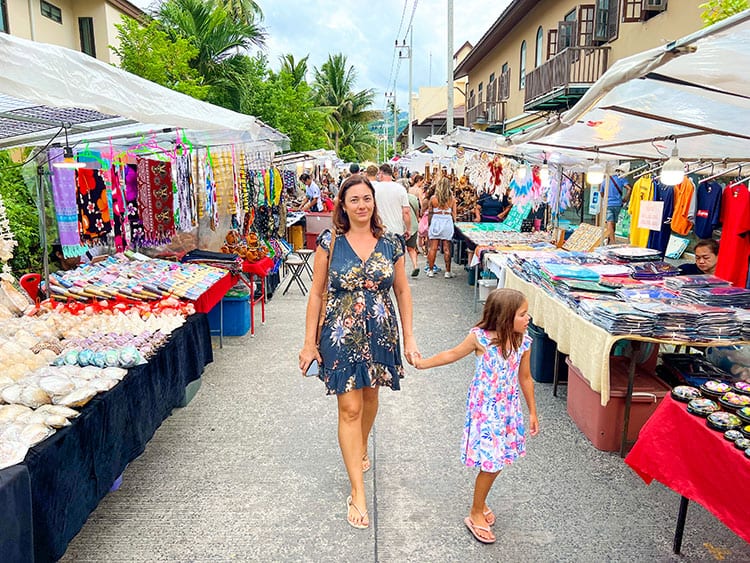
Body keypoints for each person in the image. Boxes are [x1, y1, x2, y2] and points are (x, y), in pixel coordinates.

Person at [298, 174, 419, 530]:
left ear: (374, 202)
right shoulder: (329, 241)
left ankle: (361, 446)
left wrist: (409, 338)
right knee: (349, 406)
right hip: (340, 334)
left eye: (367, 198)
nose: (362, 205)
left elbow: (403, 292)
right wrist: (308, 342)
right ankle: (357, 491)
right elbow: (317, 294)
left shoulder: (391, 243)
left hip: (381, 332)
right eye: (354, 200)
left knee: (369, 398)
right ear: (343, 205)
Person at [413, 288, 539, 544]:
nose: (528, 319)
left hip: (507, 409)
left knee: (497, 460)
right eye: (523, 314)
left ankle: (480, 503)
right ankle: (475, 511)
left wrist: (533, 411)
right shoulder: (479, 338)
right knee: (492, 463)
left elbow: (525, 377)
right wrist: (423, 363)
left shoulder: (523, 340)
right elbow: (451, 354)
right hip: (485, 410)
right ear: (505, 317)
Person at [426, 177, 457, 278]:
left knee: (433, 247)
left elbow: (430, 212)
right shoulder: (452, 199)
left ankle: (430, 270)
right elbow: (454, 215)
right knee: (447, 247)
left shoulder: (433, 199)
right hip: (447, 220)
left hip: (436, 220)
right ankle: (448, 272)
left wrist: (429, 224)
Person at [373, 163, 411, 240]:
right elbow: (406, 212)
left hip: (380, 230)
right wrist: (408, 229)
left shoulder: (374, 189)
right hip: (397, 231)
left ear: (381, 174)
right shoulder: (401, 189)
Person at [602, 168, 631, 244]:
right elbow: (629, 189)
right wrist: (625, 199)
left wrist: (607, 197)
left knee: (609, 222)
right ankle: (610, 239)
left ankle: (612, 241)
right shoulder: (621, 179)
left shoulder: (605, 181)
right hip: (618, 204)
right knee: (613, 222)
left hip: (608, 204)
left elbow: (601, 193)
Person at [399, 178, 421, 277]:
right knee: (411, 248)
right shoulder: (413, 198)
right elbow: (417, 211)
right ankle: (415, 265)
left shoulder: (397, 198)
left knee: (401, 250)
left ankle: (402, 271)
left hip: (402, 226)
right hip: (413, 225)